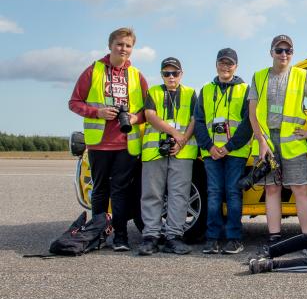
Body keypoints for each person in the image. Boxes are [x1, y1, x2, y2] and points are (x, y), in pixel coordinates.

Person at [69, 27, 148, 251]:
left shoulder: (136, 75)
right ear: (110, 45)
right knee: (100, 191)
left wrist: (135, 118)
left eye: (128, 45)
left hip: (126, 143)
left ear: (133, 48)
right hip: (99, 142)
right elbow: (74, 102)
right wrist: (98, 113)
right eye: (120, 44)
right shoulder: (93, 71)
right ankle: (97, 235)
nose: (123, 49)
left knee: (121, 191)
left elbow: (148, 111)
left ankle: (120, 237)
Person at [249, 35, 307, 243]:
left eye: (288, 50)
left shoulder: (301, 75)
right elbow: (252, 113)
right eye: (279, 50)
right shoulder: (259, 77)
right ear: (271, 52)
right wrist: (262, 140)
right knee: (272, 188)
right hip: (268, 141)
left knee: (300, 188)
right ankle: (274, 237)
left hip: (292, 141)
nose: (284, 54)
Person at [194, 48, 252, 255]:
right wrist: (210, 146)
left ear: (236, 66)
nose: (225, 67)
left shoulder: (246, 89)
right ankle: (212, 239)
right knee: (214, 194)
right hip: (211, 152)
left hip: (235, 152)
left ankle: (234, 239)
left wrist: (228, 147)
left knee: (233, 193)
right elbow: (199, 122)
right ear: (216, 64)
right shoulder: (206, 90)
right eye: (222, 62)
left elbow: (248, 123)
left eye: (230, 63)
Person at [138, 57, 197, 256]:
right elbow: (150, 116)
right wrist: (174, 133)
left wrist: (182, 140)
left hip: (182, 151)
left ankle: (174, 236)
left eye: (175, 73)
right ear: (162, 74)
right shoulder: (153, 92)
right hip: (155, 151)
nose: (171, 77)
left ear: (182, 73)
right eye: (166, 73)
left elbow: (194, 119)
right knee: (152, 195)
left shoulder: (190, 93)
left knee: (179, 196)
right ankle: (151, 237)